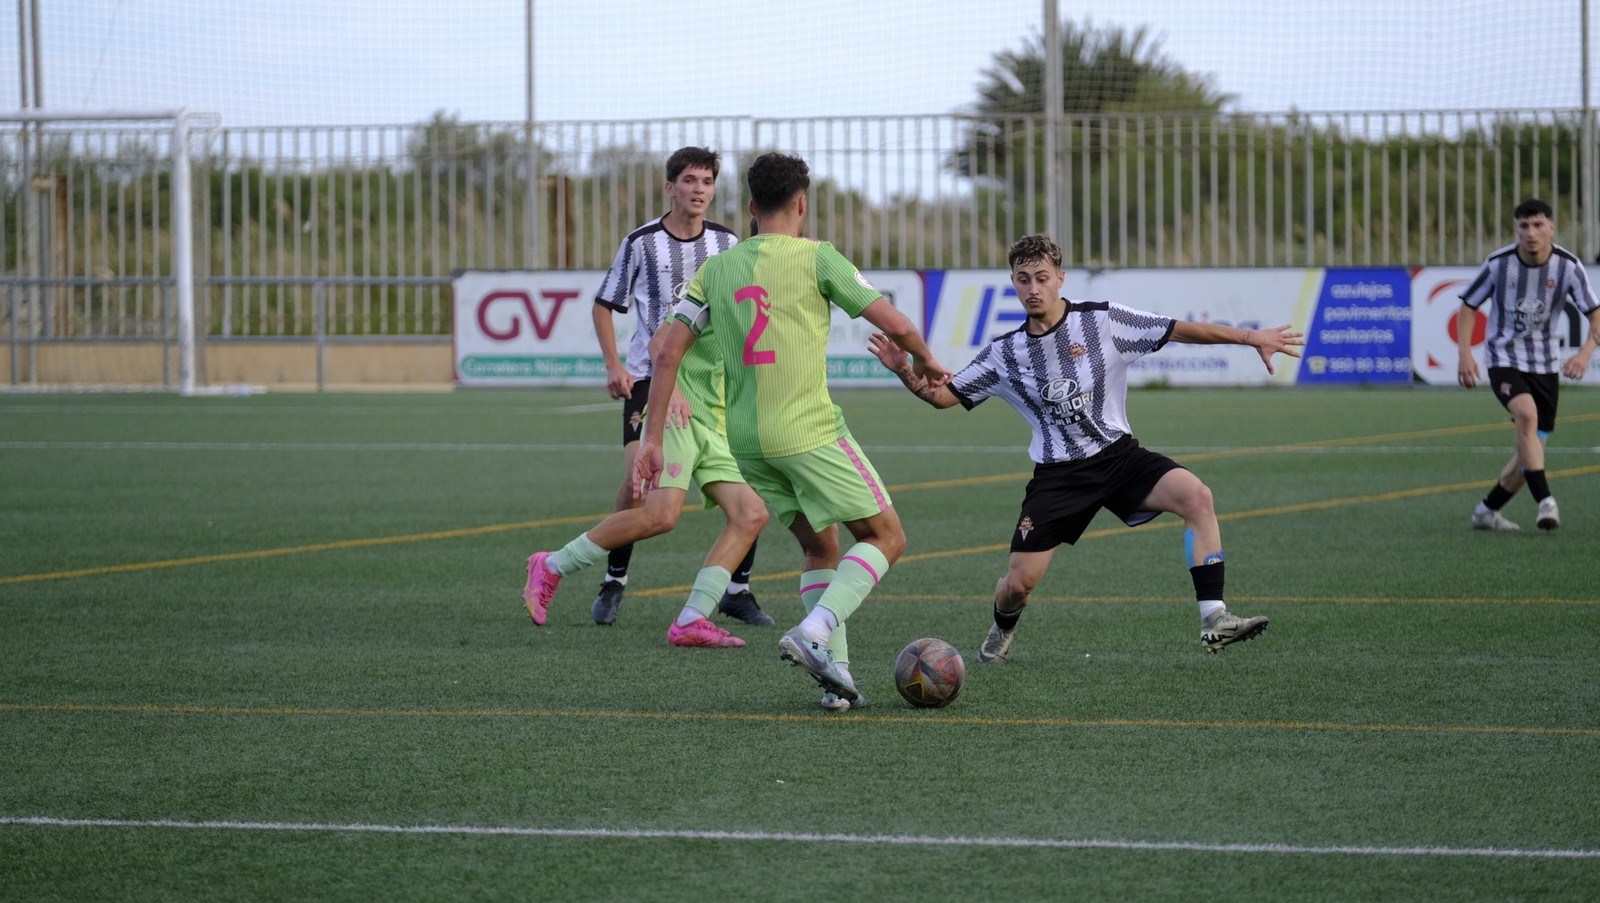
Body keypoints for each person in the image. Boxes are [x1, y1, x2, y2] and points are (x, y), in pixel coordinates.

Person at [868, 234, 1301, 659]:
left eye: (1042, 278)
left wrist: (1251, 339)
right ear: (1013, 282)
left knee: (1197, 497)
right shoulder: (1004, 353)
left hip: (1120, 458)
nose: (1033, 288)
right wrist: (904, 370)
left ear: (1060, 278)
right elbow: (943, 397)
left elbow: (1179, 330)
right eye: (1023, 279)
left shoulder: (1103, 321)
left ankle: (1214, 618)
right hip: (1059, 476)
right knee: (1018, 586)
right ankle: (1002, 628)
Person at [633, 152, 953, 708]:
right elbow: (897, 324)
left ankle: (837, 680)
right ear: (801, 205)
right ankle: (814, 631)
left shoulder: (717, 269)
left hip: (747, 444)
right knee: (887, 537)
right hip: (808, 432)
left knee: (819, 545)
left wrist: (654, 439)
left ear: (751, 208)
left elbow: (666, 354)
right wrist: (924, 360)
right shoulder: (817, 257)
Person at [578, 145, 771, 627]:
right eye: (689, 180)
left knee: (746, 484)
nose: (699, 190)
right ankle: (614, 579)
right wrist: (614, 366)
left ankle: (738, 590)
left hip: (712, 384)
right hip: (650, 378)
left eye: (706, 181)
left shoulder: (727, 243)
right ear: (670, 187)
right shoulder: (641, 243)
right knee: (637, 482)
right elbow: (604, 304)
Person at [1457, 198, 1600, 532]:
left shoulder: (1568, 266)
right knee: (1526, 415)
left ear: (1551, 227)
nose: (1531, 233)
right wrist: (1465, 353)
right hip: (1503, 358)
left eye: (1538, 225)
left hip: (1546, 366)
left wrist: (1585, 354)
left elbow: (1596, 315)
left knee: (1530, 449)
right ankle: (1546, 501)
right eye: (1524, 226)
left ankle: (1486, 511)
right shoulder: (1498, 264)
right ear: (1516, 229)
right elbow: (1467, 306)